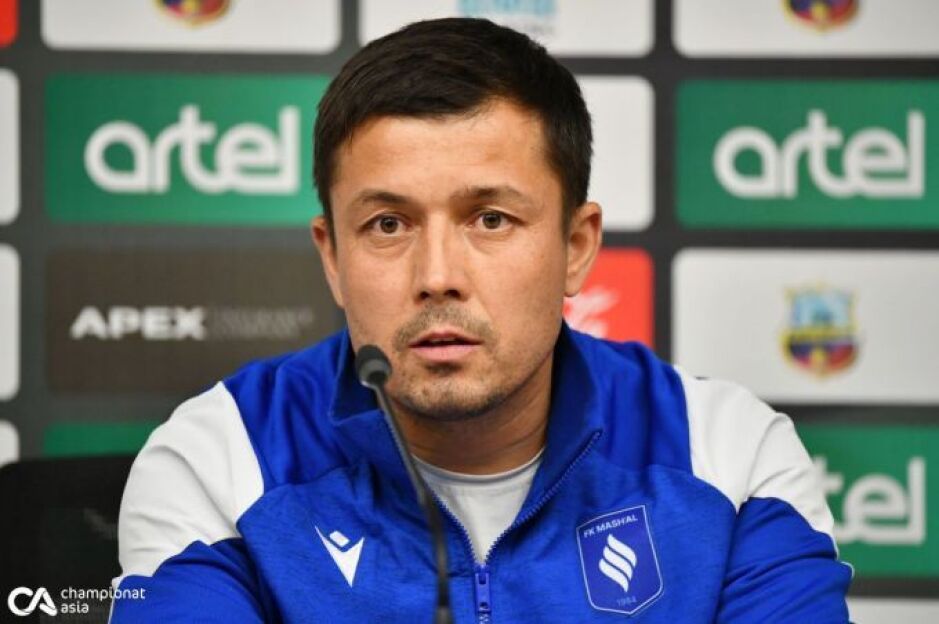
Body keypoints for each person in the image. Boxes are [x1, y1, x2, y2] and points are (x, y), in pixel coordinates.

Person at [109, 17, 852, 623]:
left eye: (490, 219)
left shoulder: (726, 453)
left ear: (575, 246)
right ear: (331, 256)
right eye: (388, 225)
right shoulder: (222, 457)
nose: (437, 276)